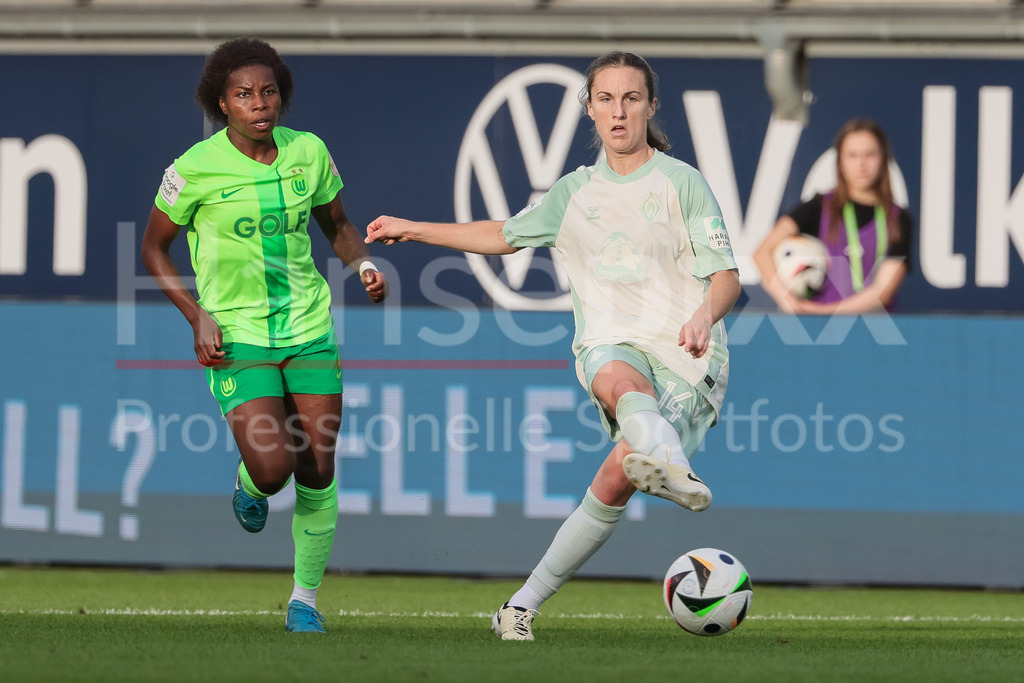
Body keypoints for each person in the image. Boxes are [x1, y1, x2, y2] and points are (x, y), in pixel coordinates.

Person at [365, 51, 741, 642]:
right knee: (618, 379)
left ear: (650, 105)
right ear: (589, 108)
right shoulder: (573, 193)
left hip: (688, 357)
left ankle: (521, 601)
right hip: (611, 344)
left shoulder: (682, 183)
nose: (618, 112)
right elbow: (502, 234)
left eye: (631, 98)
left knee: (614, 481)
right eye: (606, 99)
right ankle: (666, 458)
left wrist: (702, 314)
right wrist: (413, 228)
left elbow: (727, 278)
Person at [141, 37, 388, 633]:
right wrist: (197, 314)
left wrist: (365, 266)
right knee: (275, 469)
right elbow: (153, 248)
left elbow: (340, 226)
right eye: (244, 94)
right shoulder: (193, 169)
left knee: (318, 469)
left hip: (308, 328)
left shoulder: (308, 153)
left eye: (268, 91)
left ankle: (303, 602)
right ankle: (250, 483)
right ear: (221, 104)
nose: (259, 102)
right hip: (237, 334)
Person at [753, 118, 913, 314]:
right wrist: (788, 301)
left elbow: (883, 292)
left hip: (875, 333)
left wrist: (822, 311)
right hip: (822, 333)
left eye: (869, 154)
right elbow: (762, 253)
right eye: (852, 155)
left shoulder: (898, 218)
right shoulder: (819, 206)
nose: (861, 164)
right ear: (840, 162)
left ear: (883, 158)